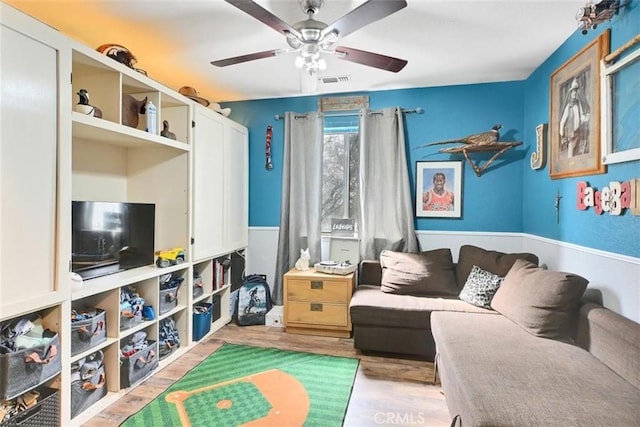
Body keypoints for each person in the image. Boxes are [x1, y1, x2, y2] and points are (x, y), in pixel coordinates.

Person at [559, 78, 590, 158]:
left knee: (577, 152)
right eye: (573, 92)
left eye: (576, 92)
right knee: (571, 152)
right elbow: (563, 120)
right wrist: (562, 133)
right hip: (570, 132)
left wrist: (587, 117)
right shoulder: (568, 106)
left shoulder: (579, 104)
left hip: (578, 132)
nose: (575, 94)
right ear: (570, 94)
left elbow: (581, 116)